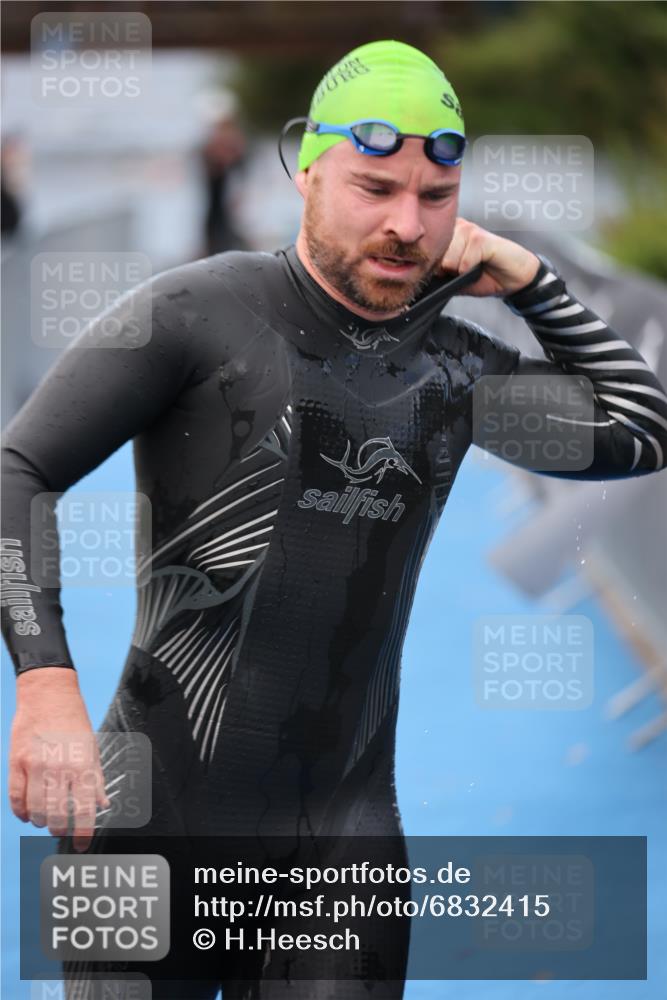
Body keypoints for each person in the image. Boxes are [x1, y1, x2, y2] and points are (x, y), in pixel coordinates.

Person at [2, 38, 666, 1000]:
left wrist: (530, 281)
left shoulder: (456, 373)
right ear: (305, 169)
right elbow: (20, 467)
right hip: (145, 829)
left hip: (343, 849)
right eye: (373, 187)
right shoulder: (197, 313)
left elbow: (641, 429)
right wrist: (46, 686)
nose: (405, 224)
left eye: (433, 199)